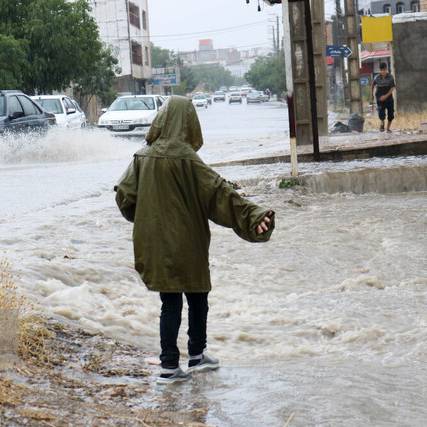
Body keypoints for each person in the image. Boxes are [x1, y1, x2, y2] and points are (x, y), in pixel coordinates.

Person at [114, 96, 275, 385]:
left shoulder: (142, 157)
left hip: (155, 244)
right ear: (189, 123)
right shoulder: (190, 160)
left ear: (162, 120)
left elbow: (125, 197)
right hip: (189, 242)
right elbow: (220, 195)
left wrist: (145, 220)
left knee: (170, 301)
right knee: (198, 296)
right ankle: (196, 355)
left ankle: (169, 365)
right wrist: (255, 216)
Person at [372, 62, 396, 133]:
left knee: (391, 114)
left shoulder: (390, 77)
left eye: (384, 70)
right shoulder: (376, 77)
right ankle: (382, 123)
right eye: (382, 70)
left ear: (386, 69)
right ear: (380, 70)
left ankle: (388, 128)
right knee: (381, 113)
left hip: (388, 97)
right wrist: (372, 95)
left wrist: (385, 96)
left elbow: (392, 88)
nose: (383, 72)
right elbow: (373, 85)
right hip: (379, 96)